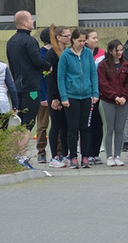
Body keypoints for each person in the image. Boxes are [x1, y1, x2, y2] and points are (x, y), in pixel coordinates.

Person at [6, 10, 51, 153]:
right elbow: (37, 61)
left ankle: (14, 155)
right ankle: (22, 155)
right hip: (31, 88)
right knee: (29, 122)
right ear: (25, 23)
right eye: (31, 19)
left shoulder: (11, 41)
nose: (33, 21)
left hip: (17, 87)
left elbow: (11, 64)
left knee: (18, 121)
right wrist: (49, 66)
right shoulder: (30, 41)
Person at [57, 28, 99, 169]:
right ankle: (73, 156)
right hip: (71, 96)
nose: (82, 43)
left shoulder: (87, 53)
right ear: (73, 40)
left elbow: (93, 73)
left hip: (86, 95)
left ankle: (85, 156)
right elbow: (61, 77)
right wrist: (64, 96)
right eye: (79, 41)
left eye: (84, 41)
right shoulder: (66, 55)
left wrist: (95, 93)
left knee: (85, 127)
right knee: (73, 128)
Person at [97, 39, 128, 167]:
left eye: (121, 50)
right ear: (110, 51)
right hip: (108, 101)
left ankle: (117, 155)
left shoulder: (126, 65)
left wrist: (124, 97)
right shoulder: (103, 65)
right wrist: (114, 96)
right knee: (109, 129)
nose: (119, 52)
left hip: (123, 101)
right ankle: (109, 156)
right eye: (116, 50)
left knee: (120, 129)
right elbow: (103, 84)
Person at [45, 26, 70, 168]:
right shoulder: (51, 54)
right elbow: (50, 77)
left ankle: (65, 154)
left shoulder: (67, 52)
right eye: (66, 36)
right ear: (59, 37)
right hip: (55, 94)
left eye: (70, 35)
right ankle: (54, 156)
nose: (69, 38)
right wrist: (55, 97)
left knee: (66, 125)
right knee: (56, 125)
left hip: (66, 93)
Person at [84, 29, 106, 164]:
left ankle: (96, 153)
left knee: (98, 123)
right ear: (85, 40)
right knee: (87, 124)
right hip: (85, 93)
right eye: (93, 38)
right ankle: (87, 153)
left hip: (99, 94)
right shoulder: (82, 54)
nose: (96, 40)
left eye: (97, 37)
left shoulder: (103, 53)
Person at [35, 28, 52, 164]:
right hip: (45, 94)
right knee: (42, 125)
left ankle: (59, 152)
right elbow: (39, 77)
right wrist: (43, 97)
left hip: (57, 94)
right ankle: (41, 152)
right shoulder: (40, 54)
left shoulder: (59, 52)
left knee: (58, 124)